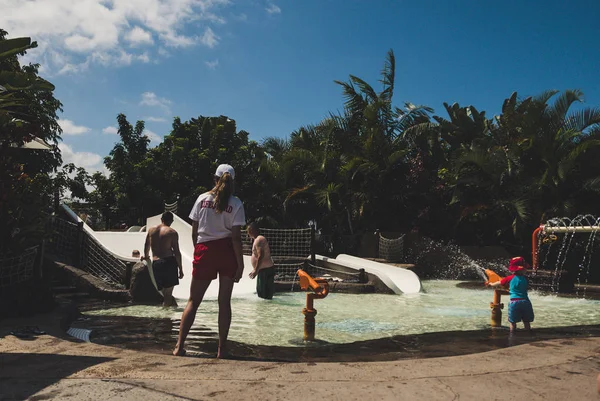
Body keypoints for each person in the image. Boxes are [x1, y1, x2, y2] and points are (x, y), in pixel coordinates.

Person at [173, 164, 246, 358]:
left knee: (193, 301)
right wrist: (240, 264)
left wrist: (198, 250)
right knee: (224, 303)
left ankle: (179, 346)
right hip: (227, 251)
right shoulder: (236, 203)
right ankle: (222, 349)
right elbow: (236, 238)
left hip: (205, 249)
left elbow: (195, 230)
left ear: (214, 179)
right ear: (233, 182)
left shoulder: (201, 199)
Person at [143, 211, 183, 307]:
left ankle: (172, 310)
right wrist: (181, 269)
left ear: (161, 219)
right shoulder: (172, 232)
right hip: (169, 262)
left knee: (165, 293)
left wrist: (146, 256)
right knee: (168, 295)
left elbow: (146, 245)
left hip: (156, 263)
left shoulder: (151, 230)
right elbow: (177, 252)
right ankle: (165, 318)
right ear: (172, 221)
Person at [488, 256, 534, 332]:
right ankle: (528, 334)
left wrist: (491, 284)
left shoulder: (509, 278)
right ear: (523, 269)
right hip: (526, 302)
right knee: (526, 322)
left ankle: (512, 335)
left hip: (514, 302)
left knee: (512, 322)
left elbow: (499, 283)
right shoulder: (526, 279)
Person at [247, 222, 275, 299]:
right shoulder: (259, 239)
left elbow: (261, 255)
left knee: (262, 296)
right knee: (268, 296)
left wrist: (256, 270)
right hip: (267, 269)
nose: (248, 233)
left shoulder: (259, 239)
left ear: (252, 230)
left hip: (264, 271)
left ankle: (262, 310)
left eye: (248, 231)